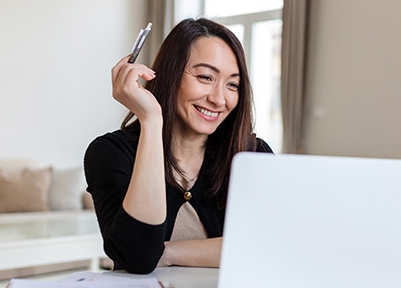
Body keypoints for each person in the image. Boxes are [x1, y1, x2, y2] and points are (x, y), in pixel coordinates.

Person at [83, 18, 273, 274]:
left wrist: (167, 252)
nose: (219, 99)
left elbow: (269, 245)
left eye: (232, 84)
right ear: (171, 75)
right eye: (206, 77)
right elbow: (137, 256)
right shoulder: (109, 153)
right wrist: (150, 120)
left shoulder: (251, 154)